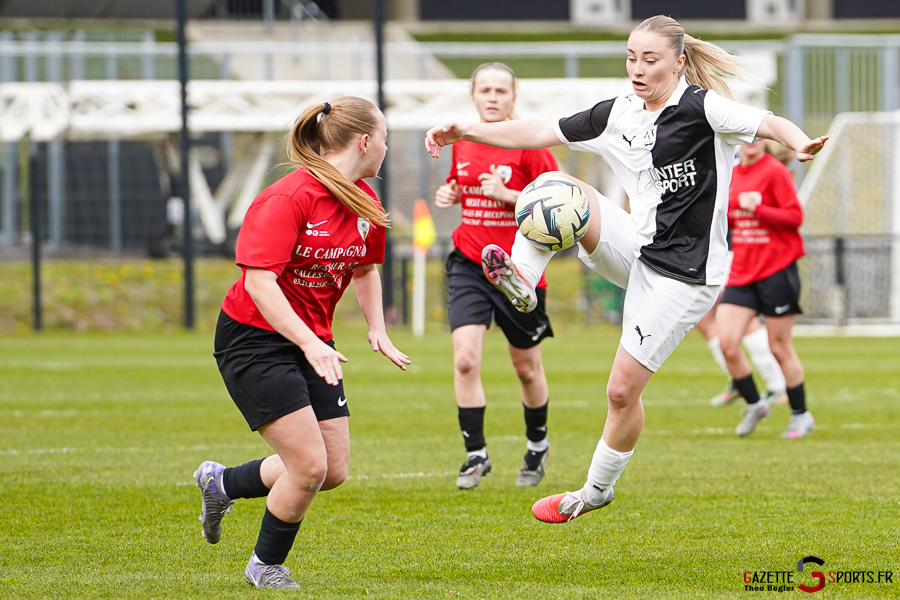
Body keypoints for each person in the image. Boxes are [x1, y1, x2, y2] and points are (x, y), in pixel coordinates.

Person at [424, 15, 827, 524]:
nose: (636, 69)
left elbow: (768, 122)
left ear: (679, 62)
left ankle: (594, 491)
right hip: (637, 246)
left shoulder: (703, 109)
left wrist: (799, 141)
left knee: (620, 392)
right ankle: (522, 282)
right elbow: (536, 131)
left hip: (686, 276)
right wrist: (466, 128)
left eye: (649, 59)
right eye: (631, 58)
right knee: (562, 192)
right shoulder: (617, 113)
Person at [194, 96, 410, 588]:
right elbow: (259, 284)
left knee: (332, 469)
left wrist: (377, 327)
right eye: (384, 138)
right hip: (253, 339)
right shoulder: (287, 198)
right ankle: (264, 566)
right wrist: (309, 343)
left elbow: (366, 268)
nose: (385, 147)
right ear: (364, 141)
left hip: (313, 341)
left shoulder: (364, 200)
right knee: (309, 466)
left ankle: (222, 483)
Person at [434, 63, 559, 490]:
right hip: (470, 261)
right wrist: (450, 191)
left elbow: (559, 205)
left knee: (526, 368)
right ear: (473, 96)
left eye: (500, 91)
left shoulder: (529, 144)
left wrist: (510, 196)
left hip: (519, 270)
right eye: (484, 90)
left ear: (513, 97)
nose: (492, 97)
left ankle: (537, 446)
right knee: (465, 358)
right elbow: (460, 184)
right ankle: (476, 454)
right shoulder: (464, 140)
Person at [716, 137, 812, 438]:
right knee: (727, 342)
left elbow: (795, 217)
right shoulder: (730, 172)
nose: (752, 142)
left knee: (778, 347)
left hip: (776, 270)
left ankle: (801, 415)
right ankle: (755, 404)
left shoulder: (774, 171)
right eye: (746, 138)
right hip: (742, 271)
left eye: (758, 137)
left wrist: (760, 208)